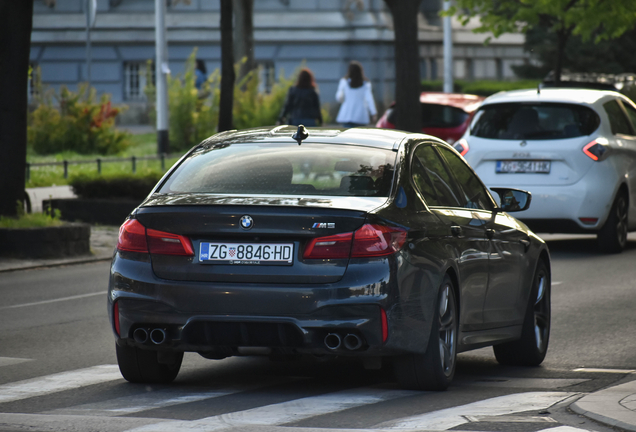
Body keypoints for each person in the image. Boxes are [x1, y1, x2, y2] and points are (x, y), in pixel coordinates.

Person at [335, 61, 377, 128]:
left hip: (347, 115)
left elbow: (338, 97)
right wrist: (373, 113)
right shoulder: (366, 84)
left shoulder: (344, 82)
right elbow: (370, 99)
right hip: (361, 116)